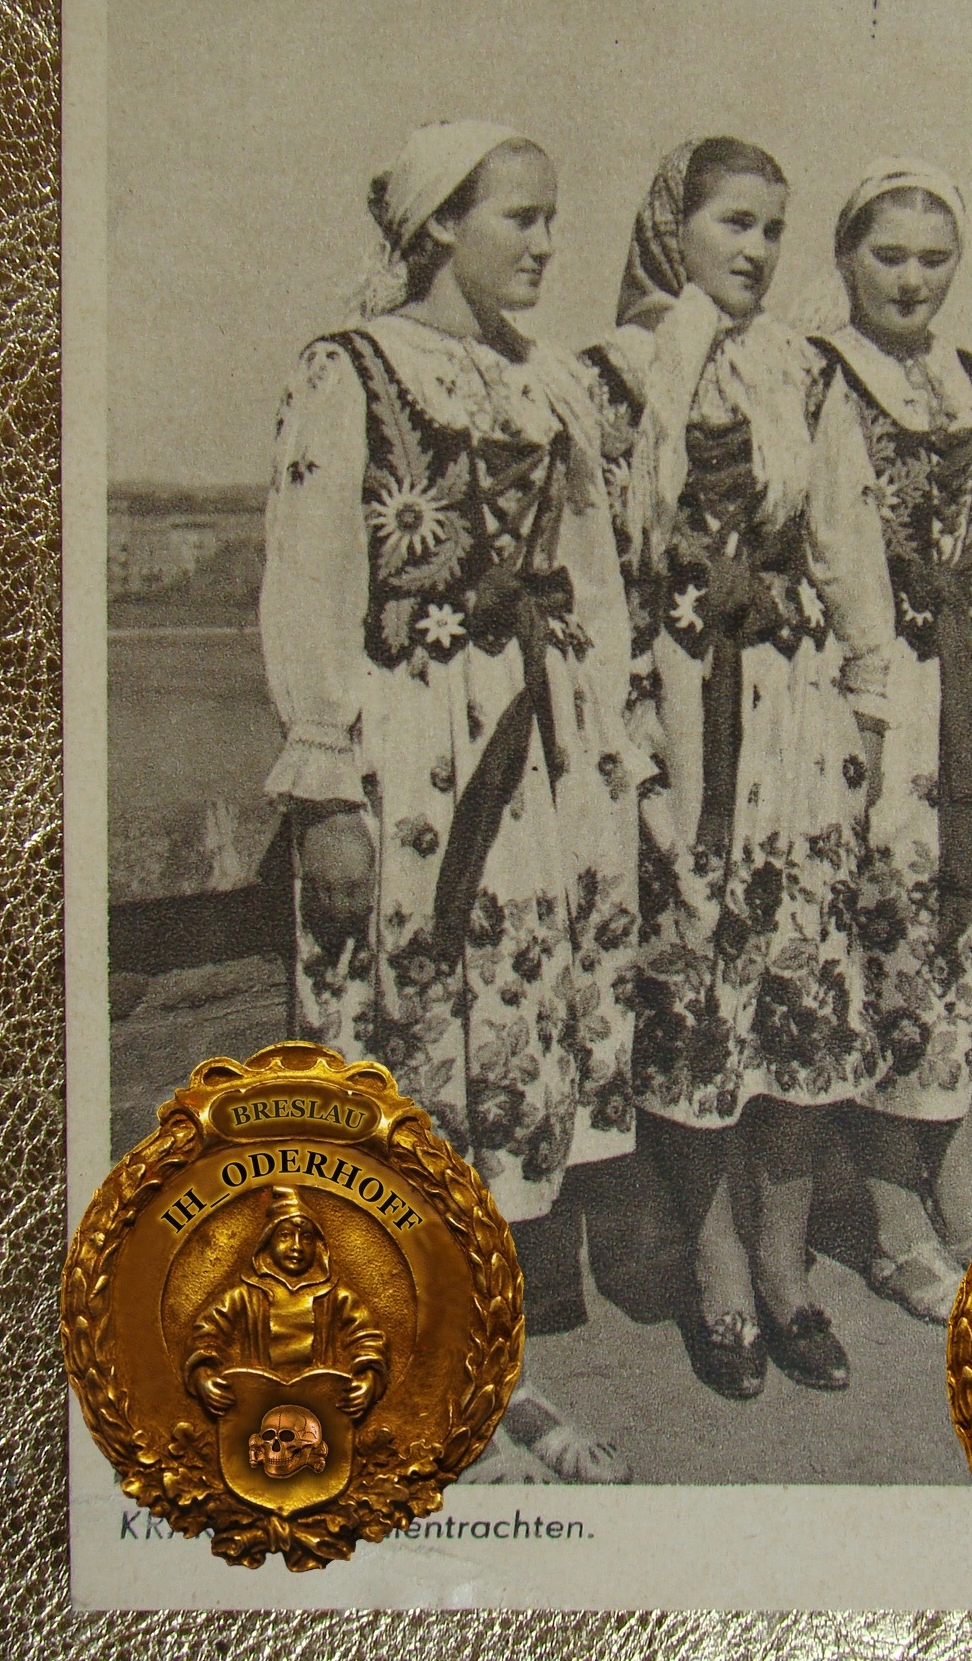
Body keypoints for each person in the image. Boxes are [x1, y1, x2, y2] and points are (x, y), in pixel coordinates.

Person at [259, 120, 644, 1481]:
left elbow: (593, 575)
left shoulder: (548, 383)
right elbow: (311, 573)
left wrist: (607, 749)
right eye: (518, 218)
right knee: (415, 1043)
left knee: (508, 1047)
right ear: (438, 227)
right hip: (413, 755)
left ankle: (489, 1373)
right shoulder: (351, 371)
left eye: (552, 218)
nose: (545, 243)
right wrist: (324, 782)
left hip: (534, 755)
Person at [586, 138, 895, 1401]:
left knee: (803, 993)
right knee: (697, 1001)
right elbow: (595, 574)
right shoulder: (610, 378)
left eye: (774, 226)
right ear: (674, 229)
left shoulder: (803, 376)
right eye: (733, 222)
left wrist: (869, 709)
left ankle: (785, 1263)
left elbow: (848, 547)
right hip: (678, 717)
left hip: (795, 718)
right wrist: (629, 747)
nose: (758, 249)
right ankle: (717, 1268)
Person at [790, 160, 972, 1326]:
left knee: (967, 928)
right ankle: (892, 1219)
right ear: (845, 257)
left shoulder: (968, 375)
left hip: (968, 681)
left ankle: (962, 1191)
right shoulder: (822, 375)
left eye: (934, 257)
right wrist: (868, 692)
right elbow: (829, 545)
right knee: (885, 931)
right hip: (878, 690)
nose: (912, 278)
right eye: (888, 255)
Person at [184, 1188, 388, 1415]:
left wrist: (368, 1380)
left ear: (319, 1246)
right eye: (285, 1236)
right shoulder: (243, 1295)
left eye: (307, 1238)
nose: (296, 1246)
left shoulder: (337, 1297)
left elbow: (367, 1340)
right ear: (267, 1240)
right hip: (252, 1408)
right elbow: (206, 1336)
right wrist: (203, 1377)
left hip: (324, 1409)